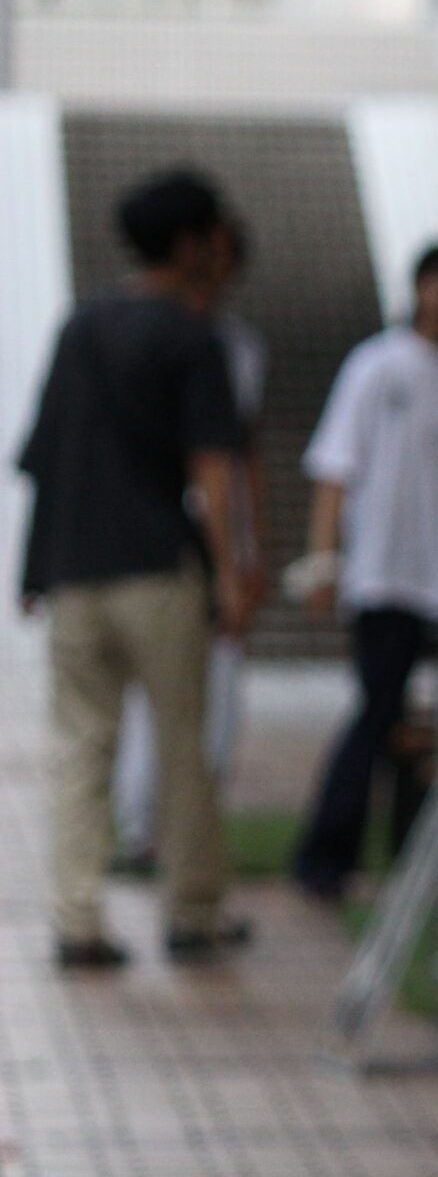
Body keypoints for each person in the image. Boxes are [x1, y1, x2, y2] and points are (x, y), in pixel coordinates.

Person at [17, 169, 256, 969]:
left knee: (79, 744)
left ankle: (77, 917)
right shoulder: (193, 335)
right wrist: (230, 573)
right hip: (158, 569)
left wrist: (32, 568)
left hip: (76, 569)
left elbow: (48, 454)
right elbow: (212, 467)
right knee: (180, 744)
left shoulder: (80, 327)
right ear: (189, 244)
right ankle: (192, 910)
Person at [288, 245, 438, 903]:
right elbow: (335, 468)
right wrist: (324, 560)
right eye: (436, 283)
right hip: (388, 573)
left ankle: (432, 858)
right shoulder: (375, 366)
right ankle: (328, 856)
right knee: (377, 713)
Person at [112, 215, 267, 871]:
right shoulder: (126, 332)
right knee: (155, 698)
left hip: (207, 540)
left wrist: (244, 557)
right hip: (155, 542)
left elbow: (237, 456)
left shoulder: (237, 346)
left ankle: (190, 847)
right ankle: (147, 831)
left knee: (212, 699)